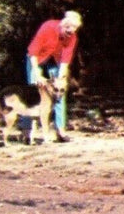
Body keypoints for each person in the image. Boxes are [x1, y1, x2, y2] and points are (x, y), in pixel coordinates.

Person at [24, 10, 82, 139]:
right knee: (32, 93)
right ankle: (27, 132)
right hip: (36, 59)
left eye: (74, 29)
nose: (70, 31)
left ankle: (60, 130)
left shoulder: (72, 37)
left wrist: (61, 79)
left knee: (59, 93)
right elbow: (33, 52)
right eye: (68, 28)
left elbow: (65, 61)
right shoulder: (48, 27)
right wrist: (37, 74)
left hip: (54, 62)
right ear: (62, 24)